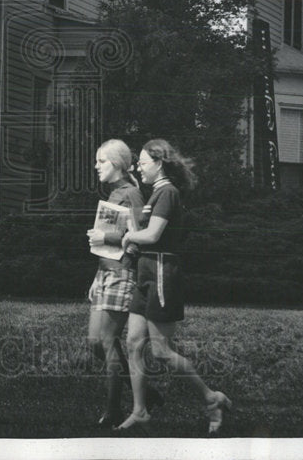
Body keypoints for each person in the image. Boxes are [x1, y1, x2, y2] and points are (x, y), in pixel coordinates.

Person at [116, 138, 232, 437]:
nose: (139, 168)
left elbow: (152, 235)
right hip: (145, 272)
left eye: (143, 163)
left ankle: (211, 399)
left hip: (161, 273)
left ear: (159, 162)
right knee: (133, 344)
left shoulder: (167, 192)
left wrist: (129, 234)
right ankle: (140, 411)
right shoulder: (155, 193)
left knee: (162, 350)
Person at [84, 139, 150, 429]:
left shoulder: (133, 194)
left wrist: (106, 238)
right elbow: (109, 241)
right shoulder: (113, 194)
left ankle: (111, 411)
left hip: (122, 274)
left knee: (108, 342)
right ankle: (146, 392)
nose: (96, 166)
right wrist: (95, 276)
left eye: (102, 161)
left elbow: (141, 239)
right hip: (104, 273)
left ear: (119, 164)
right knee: (94, 343)